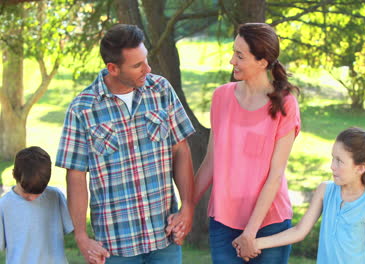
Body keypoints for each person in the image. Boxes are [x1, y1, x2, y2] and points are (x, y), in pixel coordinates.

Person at [55, 24, 195, 264]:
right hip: (115, 246)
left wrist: (188, 207)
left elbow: (180, 150)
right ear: (113, 68)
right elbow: (76, 176)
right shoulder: (82, 109)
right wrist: (81, 236)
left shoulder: (161, 90)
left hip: (165, 238)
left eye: (146, 60)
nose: (147, 69)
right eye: (138, 65)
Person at [190, 23, 301, 263]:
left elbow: (275, 174)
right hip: (223, 222)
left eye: (240, 56)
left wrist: (250, 233)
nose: (232, 61)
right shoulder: (221, 97)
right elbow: (211, 162)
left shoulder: (285, 104)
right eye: (233, 52)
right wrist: (187, 208)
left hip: (270, 225)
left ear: (262, 62)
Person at [240, 127, 365, 264]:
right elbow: (299, 231)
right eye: (333, 158)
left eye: (339, 161)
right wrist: (254, 243)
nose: (332, 166)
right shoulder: (325, 191)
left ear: (360, 168)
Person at [0, 146, 74, 264]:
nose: (31, 198)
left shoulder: (55, 196)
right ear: (14, 174)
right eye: (26, 192)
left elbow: (72, 229)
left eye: (38, 193)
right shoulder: (4, 206)